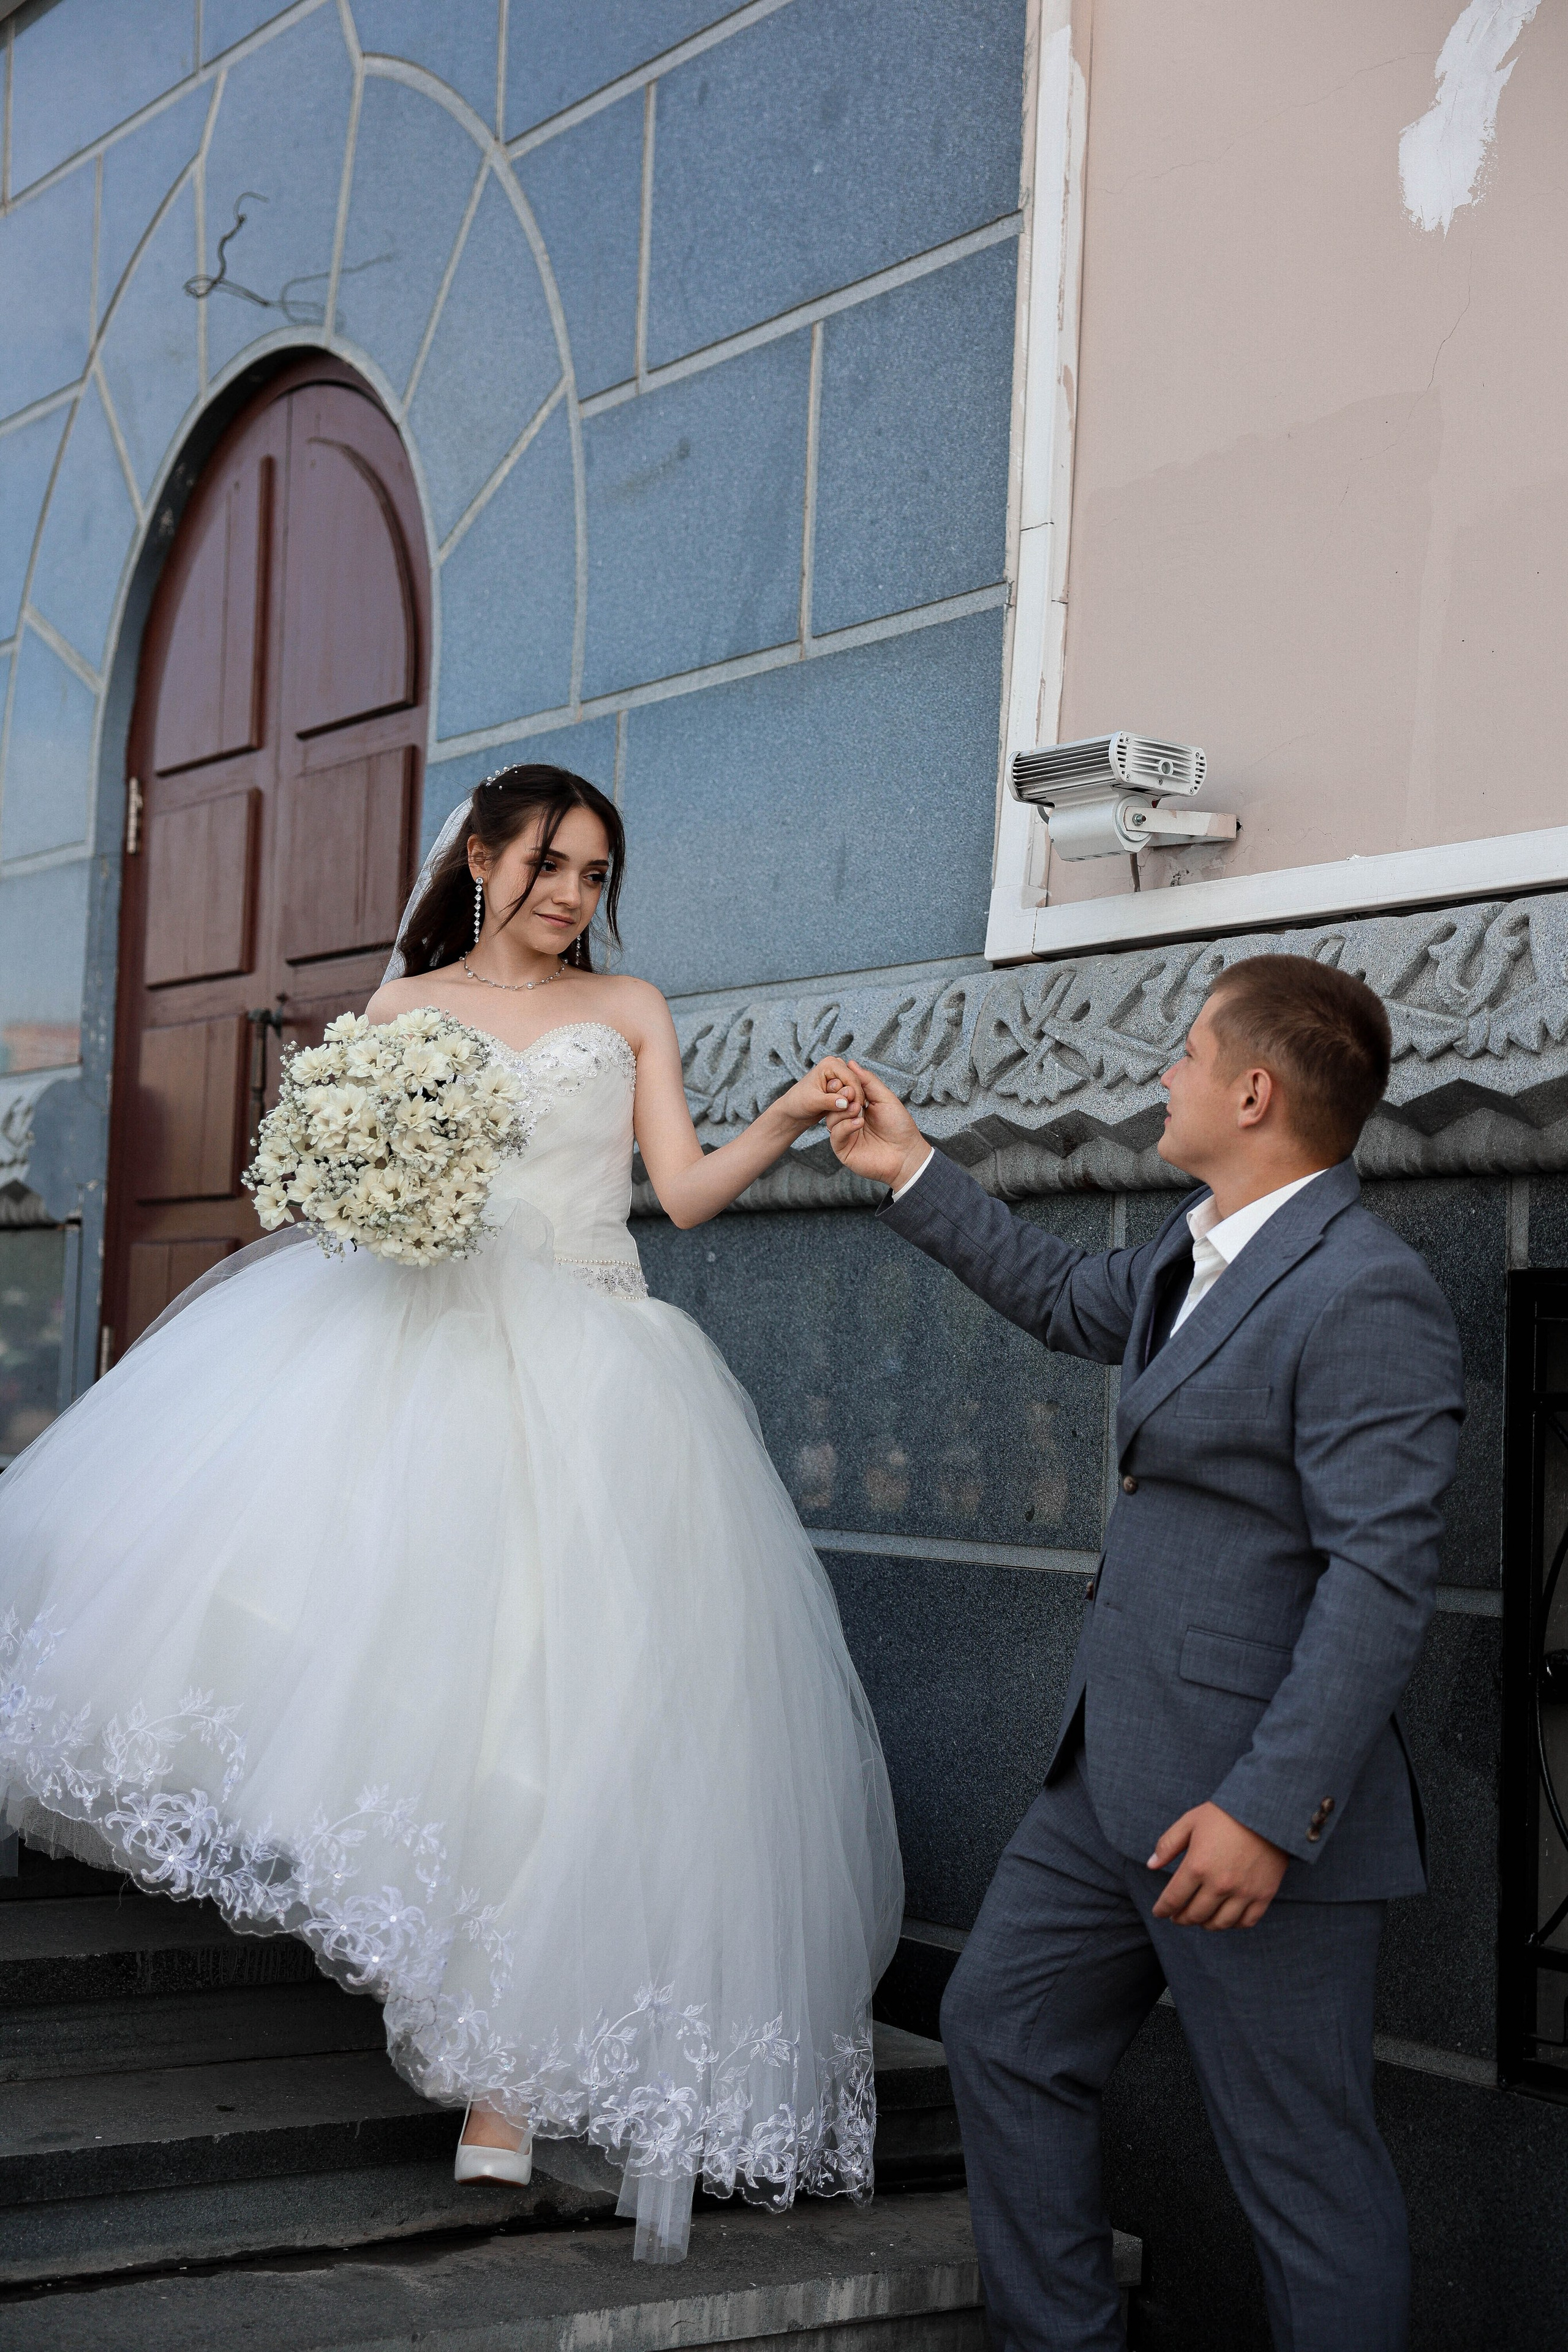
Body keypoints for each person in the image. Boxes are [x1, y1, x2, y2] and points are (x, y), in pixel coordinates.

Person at [0, 764, 902, 2265]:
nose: (572, 894)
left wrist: (792, 1116)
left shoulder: (630, 1013)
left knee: (569, 1717)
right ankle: (451, 1993)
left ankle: (507, 2082)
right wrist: (372, 1189)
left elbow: (674, 1193)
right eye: (551, 862)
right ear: (480, 859)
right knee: (437, 1703)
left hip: (601, 1383)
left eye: (598, 873)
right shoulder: (405, 1016)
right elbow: (328, 1200)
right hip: (416, 1365)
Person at [823, 954, 1464, 2352]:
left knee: (1300, 2174)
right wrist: (906, 1164)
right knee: (999, 2033)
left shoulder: (1365, 1290)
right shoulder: (1198, 1241)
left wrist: (1262, 1812)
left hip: (1246, 1816)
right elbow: (1067, 1299)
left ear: (1251, 1088)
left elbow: (1377, 1580)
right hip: (1104, 1782)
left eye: (1181, 1053)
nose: (1159, 1076)